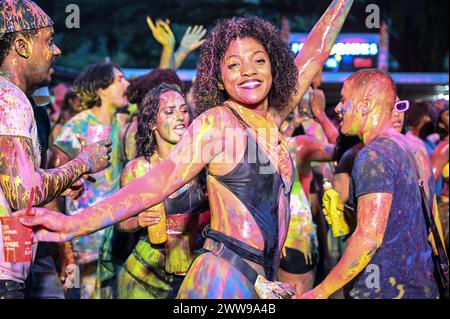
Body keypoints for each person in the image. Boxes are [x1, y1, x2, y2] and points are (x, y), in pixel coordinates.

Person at [22, 0, 353, 299]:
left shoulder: (274, 119)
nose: (248, 70)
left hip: (257, 279)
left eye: (258, 60)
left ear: (274, 68)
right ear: (219, 79)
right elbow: (152, 186)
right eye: (234, 65)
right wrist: (73, 224)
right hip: (221, 278)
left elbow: (316, 50)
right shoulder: (216, 124)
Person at [0, 0, 111, 299]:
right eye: (48, 40)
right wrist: (84, 162)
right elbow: (22, 193)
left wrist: (57, 183)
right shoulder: (9, 98)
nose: (57, 50)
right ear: (22, 46)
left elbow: (13, 183)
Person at [299, 69, 441, 299]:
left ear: (365, 105)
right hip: (421, 285)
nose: (337, 108)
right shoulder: (414, 149)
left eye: (344, 101)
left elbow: (369, 237)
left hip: (385, 289)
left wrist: (319, 292)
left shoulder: (373, 155)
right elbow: (429, 224)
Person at [116, 83, 209, 299]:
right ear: (151, 124)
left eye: (184, 110)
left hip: (191, 276)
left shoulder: (200, 165)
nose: (180, 117)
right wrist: (138, 221)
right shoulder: (138, 169)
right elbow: (120, 223)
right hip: (144, 276)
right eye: (169, 112)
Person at [48, 62, 129, 299]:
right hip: (78, 241)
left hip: (109, 239)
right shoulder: (79, 125)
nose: (127, 83)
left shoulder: (121, 124)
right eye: (120, 80)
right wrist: (65, 248)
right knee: (73, 294)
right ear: (102, 90)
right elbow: (53, 182)